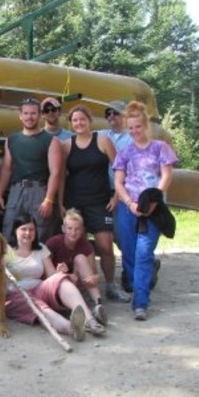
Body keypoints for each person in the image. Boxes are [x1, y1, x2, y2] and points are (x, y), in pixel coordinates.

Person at [113, 101, 178, 321]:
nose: (134, 132)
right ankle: (139, 284)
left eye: (137, 127)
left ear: (145, 125)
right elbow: (119, 182)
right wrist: (130, 203)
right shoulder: (125, 153)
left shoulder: (160, 148)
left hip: (152, 209)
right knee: (129, 254)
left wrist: (154, 198)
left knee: (143, 253)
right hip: (128, 208)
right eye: (130, 128)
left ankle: (141, 302)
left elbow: (166, 176)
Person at [60, 105, 128, 303]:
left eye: (82, 119)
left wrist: (116, 194)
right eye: (75, 120)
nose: (79, 123)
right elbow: (61, 177)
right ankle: (76, 287)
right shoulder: (67, 145)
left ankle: (111, 286)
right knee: (73, 244)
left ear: (89, 121)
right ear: (71, 124)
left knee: (105, 245)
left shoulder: (102, 140)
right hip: (74, 202)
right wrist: (59, 203)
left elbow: (119, 168)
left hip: (99, 201)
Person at [4, 213, 105, 340]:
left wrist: (60, 273)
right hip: (16, 295)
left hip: (39, 289)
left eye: (31, 229)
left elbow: (51, 275)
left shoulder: (41, 249)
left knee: (61, 280)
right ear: (15, 230)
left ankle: (90, 320)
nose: (28, 233)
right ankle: (71, 328)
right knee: (40, 307)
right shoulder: (5, 251)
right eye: (23, 229)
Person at [0, 97, 63, 243]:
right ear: (20, 115)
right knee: (9, 230)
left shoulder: (51, 140)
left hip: (39, 191)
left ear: (40, 115)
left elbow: (55, 172)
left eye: (33, 113)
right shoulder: (11, 139)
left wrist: (49, 199)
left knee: (39, 233)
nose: (29, 117)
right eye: (26, 113)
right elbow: (6, 169)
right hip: (16, 190)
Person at [45, 209, 109, 326]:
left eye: (77, 229)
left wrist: (94, 278)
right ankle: (83, 311)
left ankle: (98, 304)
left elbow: (94, 273)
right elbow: (45, 272)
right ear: (63, 229)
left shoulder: (86, 245)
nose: (73, 233)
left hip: (77, 281)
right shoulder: (53, 243)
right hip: (58, 284)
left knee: (80, 258)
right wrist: (61, 274)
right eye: (69, 228)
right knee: (61, 279)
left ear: (82, 230)